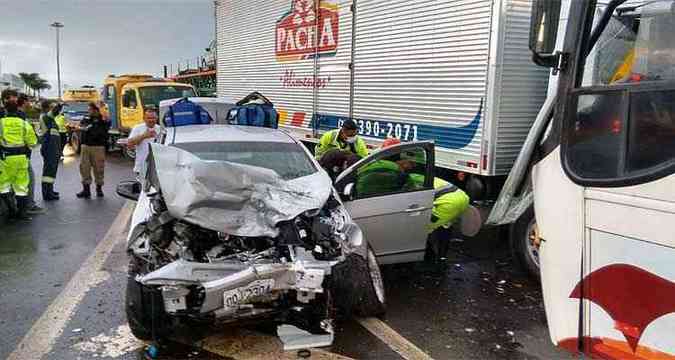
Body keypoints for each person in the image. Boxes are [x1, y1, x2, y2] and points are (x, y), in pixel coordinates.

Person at [0, 89, 38, 220]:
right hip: (22, 158)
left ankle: (11, 211)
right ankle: (22, 214)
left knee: (4, 185)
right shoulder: (24, 123)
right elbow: (33, 142)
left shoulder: (1, 123)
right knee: (21, 186)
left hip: (4, 159)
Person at [18, 95, 46, 214]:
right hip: (22, 155)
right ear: (24, 102)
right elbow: (31, 140)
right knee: (29, 179)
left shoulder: (9, 116)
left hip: (11, 155)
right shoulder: (20, 116)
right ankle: (28, 206)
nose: (31, 103)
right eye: (29, 101)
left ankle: (19, 207)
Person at [76, 102, 110, 198]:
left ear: (96, 110)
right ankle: (86, 190)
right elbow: (81, 126)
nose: (88, 111)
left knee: (99, 169)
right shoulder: (86, 119)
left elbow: (107, 120)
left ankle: (99, 189)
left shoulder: (103, 120)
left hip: (98, 147)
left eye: (90, 109)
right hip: (85, 147)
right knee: (84, 168)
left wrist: (101, 109)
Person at [127, 108, 160, 179]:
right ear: (144, 118)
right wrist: (144, 136)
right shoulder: (138, 128)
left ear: (157, 118)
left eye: (153, 118)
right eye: (148, 118)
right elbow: (130, 144)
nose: (151, 120)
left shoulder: (161, 129)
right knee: (142, 189)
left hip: (158, 168)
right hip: (141, 167)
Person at [39, 101, 62, 201]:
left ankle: (50, 190)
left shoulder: (50, 119)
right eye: (51, 107)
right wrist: (60, 105)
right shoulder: (45, 117)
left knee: (51, 171)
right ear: (48, 108)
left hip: (53, 148)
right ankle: (47, 194)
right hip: (49, 147)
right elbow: (55, 112)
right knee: (48, 171)